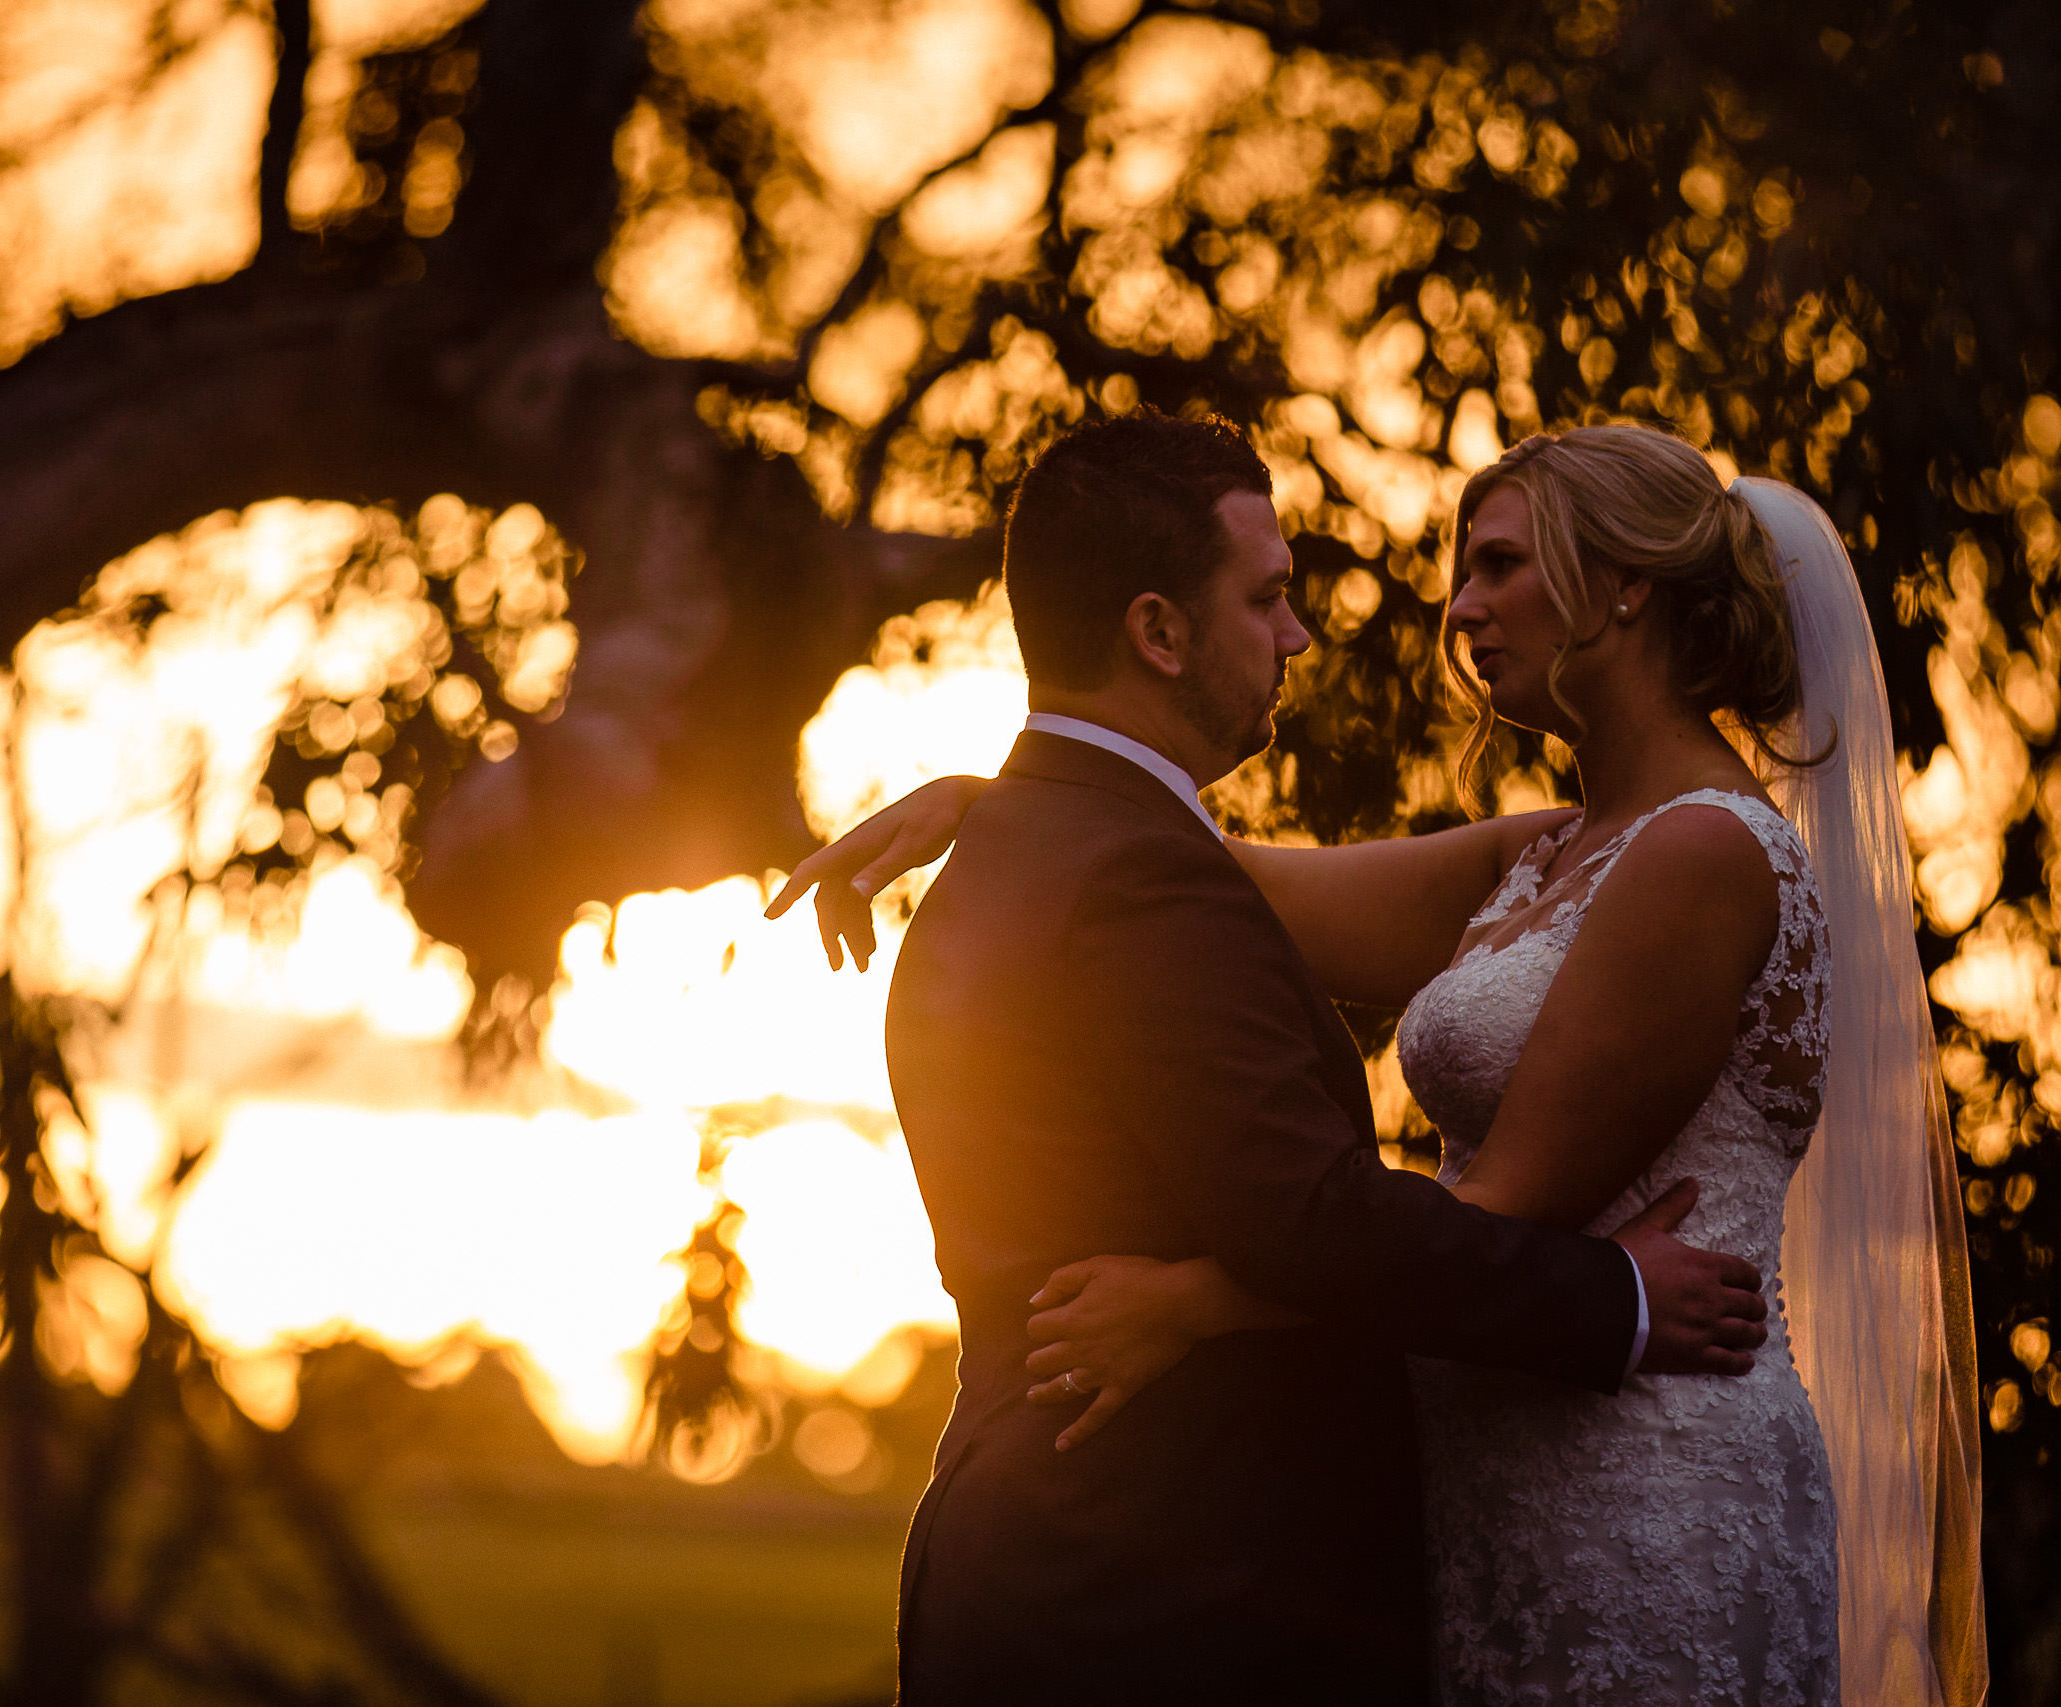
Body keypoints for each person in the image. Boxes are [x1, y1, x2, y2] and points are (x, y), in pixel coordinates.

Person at [778, 420, 1987, 1706]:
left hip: (1642, 1452)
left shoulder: (1700, 858)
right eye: (1463, 572)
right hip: (1486, 1463)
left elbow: (1495, 1205)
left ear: (1628, 582)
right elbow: (1207, 871)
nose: (1461, 608)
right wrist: (1002, 795)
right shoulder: (1536, 859)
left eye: (1502, 566)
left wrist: (1199, 1301)